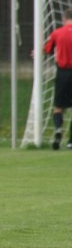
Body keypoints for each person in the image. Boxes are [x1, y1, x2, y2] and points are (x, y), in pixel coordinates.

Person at [44, 9, 72, 149]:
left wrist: (38, 51)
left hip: (63, 72)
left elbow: (48, 50)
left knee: (58, 107)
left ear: (64, 19)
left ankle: (58, 131)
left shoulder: (57, 33)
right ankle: (71, 141)